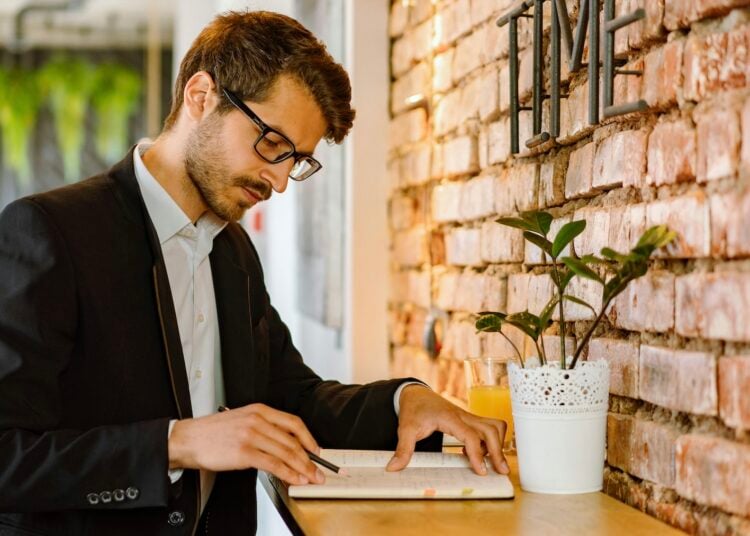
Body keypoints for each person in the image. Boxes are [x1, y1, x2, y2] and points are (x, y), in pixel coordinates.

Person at [0, 10, 508, 535]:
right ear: (201, 97)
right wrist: (179, 441)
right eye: (271, 143)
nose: (281, 181)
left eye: (297, 160)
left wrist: (406, 401)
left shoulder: (233, 252)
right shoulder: (50, 231)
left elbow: (292, 397)